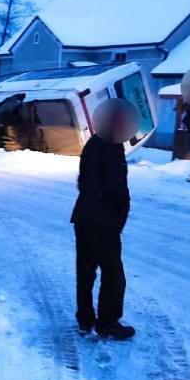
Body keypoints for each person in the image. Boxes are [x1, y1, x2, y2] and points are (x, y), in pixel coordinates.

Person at [71, 99, 139, 340]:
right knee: (113, 275)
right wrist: (118, 214)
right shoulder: (110, 147)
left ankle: (85, 320)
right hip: (103, 221)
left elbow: (85, 182)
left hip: (85, 217)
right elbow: (115, 188)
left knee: (86, 271)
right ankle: (108, 323)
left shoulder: (94, 143)